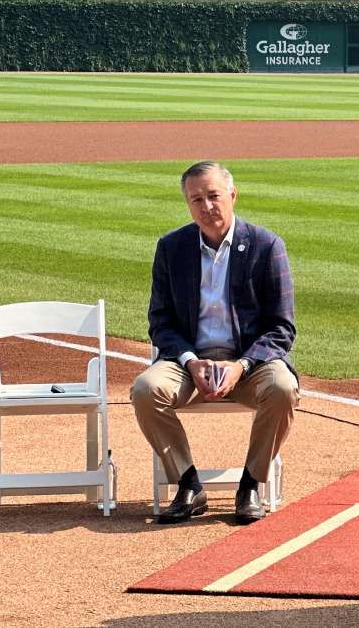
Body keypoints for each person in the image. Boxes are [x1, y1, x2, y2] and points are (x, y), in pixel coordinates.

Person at [130, 161, 298, 525]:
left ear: (233, 196)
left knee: (283, 387)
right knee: (145, 389)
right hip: (189, 364)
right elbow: (161, 322)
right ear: (187, 205)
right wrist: (192, 362)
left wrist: (242, 366)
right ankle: (189, 484)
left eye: (213, 196)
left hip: (249, 363)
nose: (206, 207)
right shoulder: (172, 248)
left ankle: (250, 484)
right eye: (196, 199)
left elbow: (282, 329)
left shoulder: (266, 246)